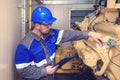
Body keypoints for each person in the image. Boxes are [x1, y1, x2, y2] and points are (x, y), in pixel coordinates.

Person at [15, 6, 103, 80]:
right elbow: (22, 70)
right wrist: (44, 71)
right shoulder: (25, 45)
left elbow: (68, 34)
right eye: (47, 24)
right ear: (37, 25)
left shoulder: (51, 34)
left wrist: (89, 34)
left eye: (51, 24)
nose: (50, 27)